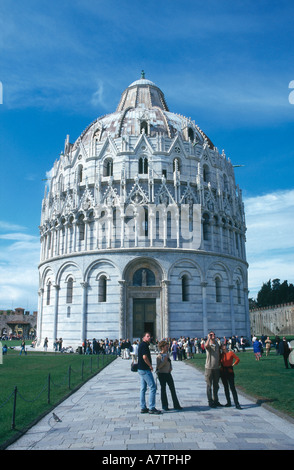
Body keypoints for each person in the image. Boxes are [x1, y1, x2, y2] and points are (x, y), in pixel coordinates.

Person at [137, 332, 161, 414]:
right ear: (143, 337)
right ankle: (151, 407)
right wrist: (150, 366)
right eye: (147, 336)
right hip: (145, 369)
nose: (149, 337)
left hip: (140, 369)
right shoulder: (144, 345)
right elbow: (144, 357)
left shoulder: (142, 345)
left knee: (143, 389)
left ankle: (143, 407)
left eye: (150, 336)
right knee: (153, 387)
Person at [156, 340, 182, 411]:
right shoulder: (158, 356)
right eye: (166, 347)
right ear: (162, 347)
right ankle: (165, 406)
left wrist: (170, 367)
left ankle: (176, 405)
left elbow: (169, 362)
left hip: (168, 373)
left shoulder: (167, 354)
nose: (167, 348)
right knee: (163, 390)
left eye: (168, 347)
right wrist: (164, 362)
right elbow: (158, 367)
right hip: (161, 374)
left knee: (172, 389)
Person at [220, 343, 241, 409]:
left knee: (232, 387)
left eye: (224, 346)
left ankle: (236, 403)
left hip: (229, 371)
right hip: (223, 371)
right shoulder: (221, 355)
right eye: (222, 347)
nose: (224, 347)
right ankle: (228, 402)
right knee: (226, 387)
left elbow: (237, 359)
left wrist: (234, 364)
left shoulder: (231, 353)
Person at [204, 331, 222, 408]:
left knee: (216, 385)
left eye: (214, 334)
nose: (213, 336)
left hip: (216, 368)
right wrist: (208, 338)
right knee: (209, 385)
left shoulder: (217, 344)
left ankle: (216, 400)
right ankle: (210, 401)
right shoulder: (209, 344)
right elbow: (206, 345)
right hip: (209, 368)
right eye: (211, 335)